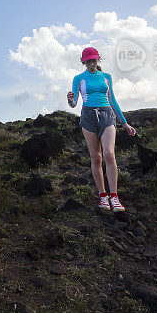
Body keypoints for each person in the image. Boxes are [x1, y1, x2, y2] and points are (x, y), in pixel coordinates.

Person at [67, 47, 136, 212]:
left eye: (94, 60)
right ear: (83, 62)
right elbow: (74, 103)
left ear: (98, 60)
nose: (91, 64)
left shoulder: (106, 77)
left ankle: (114, 197)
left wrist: (124, 123)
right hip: (88, 117)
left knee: (109, 154)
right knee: (96, 158)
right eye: (88, 61)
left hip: (106, 116)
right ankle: (103, 196)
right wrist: (70, 100)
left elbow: (112, 100)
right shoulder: (79, 78)